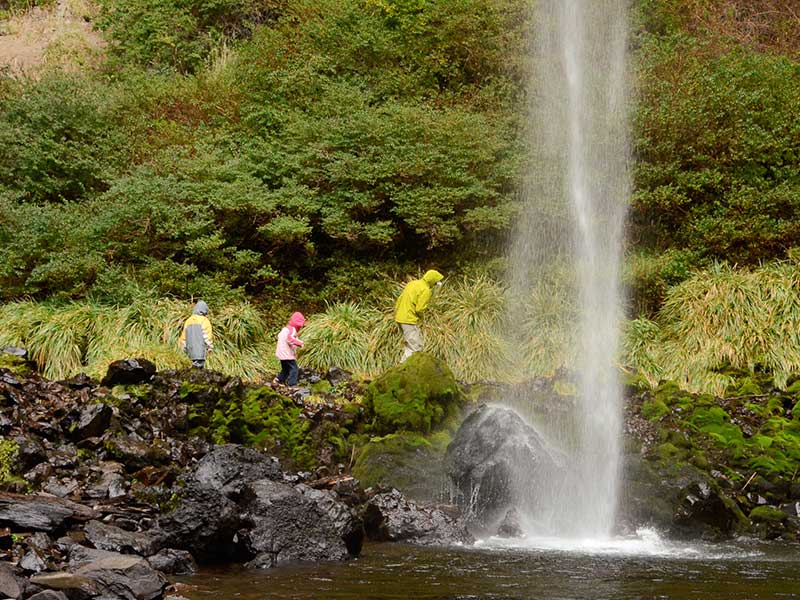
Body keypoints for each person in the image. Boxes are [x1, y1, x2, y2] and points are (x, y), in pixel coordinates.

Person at [394, 269, 444, 362]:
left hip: (399, 317)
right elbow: (419, 309)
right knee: (416, 346)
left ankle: (401, 367)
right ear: (432, 281)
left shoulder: (412, 283)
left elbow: (400, 299)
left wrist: (397, 312)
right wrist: (423, 318)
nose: (434, 285)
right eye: (435, 283)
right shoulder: (425, 290)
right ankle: (408, 371)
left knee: (409, 346)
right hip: (409, 319)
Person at [274, 311, 305, 386]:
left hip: (281, 353)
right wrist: (300, 344)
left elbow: (290, 338)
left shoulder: (286, 329)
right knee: (294, 369)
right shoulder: (292, 329)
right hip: (287, 354)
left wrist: (300, 342)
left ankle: (278, 380)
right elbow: (290, 339)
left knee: (286, 369)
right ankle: (292, 384)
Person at [179, 300, 213, 368]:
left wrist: (182, 350)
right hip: (200, 353)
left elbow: (183, 338)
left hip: (190, 353)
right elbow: (208, 337)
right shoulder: (204, 320)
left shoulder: (188, 321)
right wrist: (210, 348)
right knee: (199, 373)